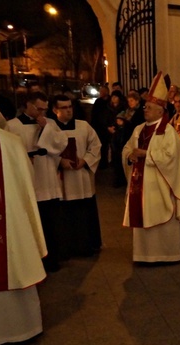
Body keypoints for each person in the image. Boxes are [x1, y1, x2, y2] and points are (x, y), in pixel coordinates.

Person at [0, 90, 48, 345]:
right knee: (15, 262)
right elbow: (27, 187)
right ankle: (20, 329)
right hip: (11, 225)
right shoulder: (12, 142)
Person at [121, 73, 180, 263]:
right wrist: (130, 155)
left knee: (162, 218)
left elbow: (171, 158)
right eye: (145, 107)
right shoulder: (138, 129)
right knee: (142, 216)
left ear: (161, 111)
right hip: (140, 185)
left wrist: (146, 155)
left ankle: (168, 255)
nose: (146, 110)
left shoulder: (169, 132)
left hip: (161, 185)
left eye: (150, 108)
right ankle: (143, 255)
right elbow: (127, 148)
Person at [38, 94, 102, 258]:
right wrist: (60, 161)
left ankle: (86, 246)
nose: (68, 111)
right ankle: (65, 249)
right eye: (64, 108)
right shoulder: (50, 129)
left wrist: (85, 160)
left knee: (83, 215)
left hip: (81, 178)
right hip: (61, 179)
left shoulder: (83, 126)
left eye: (70, 107)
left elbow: (96, 146)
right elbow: (44, 150)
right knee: (63, 216)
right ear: (55, 110)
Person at [6, 91, 61, 272]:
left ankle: (51, 259)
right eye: (39, 109)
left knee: (50, 222)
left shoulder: (50, 123)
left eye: (45, 109)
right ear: (28, 105)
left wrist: (46, 129)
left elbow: (61, 144)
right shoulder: (12, 126)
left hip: (47, 177)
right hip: (28, 179)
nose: (42, 113)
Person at [114, 91, 145, 188]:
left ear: (137, 101)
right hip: (124, 137)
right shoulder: (127, 111)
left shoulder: (140, 112)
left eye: (132, 101)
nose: (130, 103)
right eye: (128, 101)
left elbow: (136, 124)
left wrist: (125, 123)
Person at [91, 85, 112, 169]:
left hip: (109, 125)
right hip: (100, 127)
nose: (101, 93)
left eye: (103, 91)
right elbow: (94, 114)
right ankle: (102, 162)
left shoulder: (110, 101)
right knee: (101, 146)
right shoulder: (98, 101)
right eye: (100, 91)